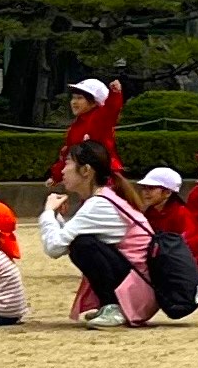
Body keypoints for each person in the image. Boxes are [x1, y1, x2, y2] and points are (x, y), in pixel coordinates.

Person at [41, 141, 159, 329]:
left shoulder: (99, 204)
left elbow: (54, 248)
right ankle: (112, 305)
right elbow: (63, 239)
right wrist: (57, 218)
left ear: (86, 170)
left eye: (68, 163)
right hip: (144, 288)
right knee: (81, 242)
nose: (63, 170)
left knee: (82, 245)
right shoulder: (104, 198)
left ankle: (114, 307)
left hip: (142, 291)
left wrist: (47, 212)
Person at [49, 78, 122, 184]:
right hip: (87, 178)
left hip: (106, 178)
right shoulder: (76, 126)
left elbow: (111, 109)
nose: (74, 102)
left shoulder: (99, 118)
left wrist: (115, 93)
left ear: (94, 103)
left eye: (79, 98)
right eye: (73, 98)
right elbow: (69, 153)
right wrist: (56, 176)